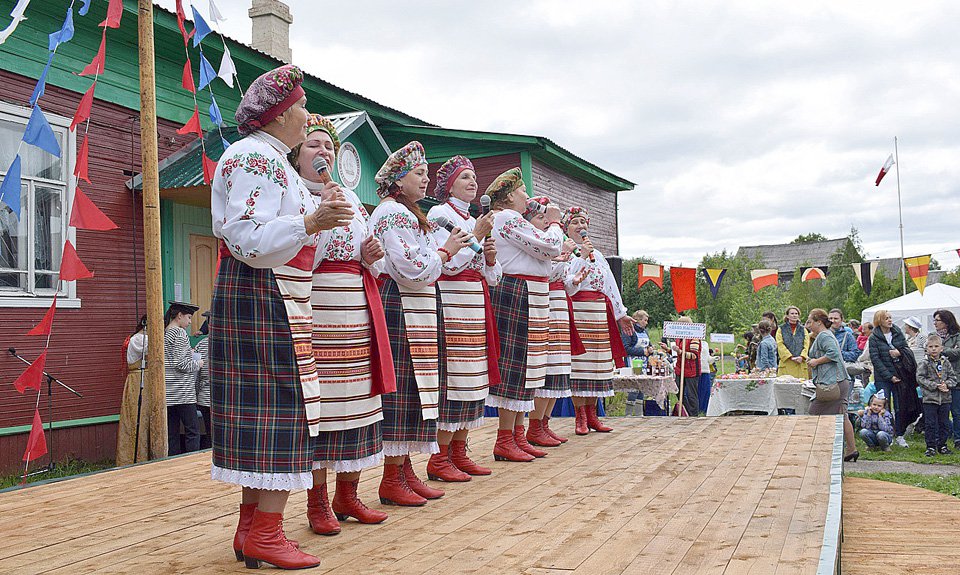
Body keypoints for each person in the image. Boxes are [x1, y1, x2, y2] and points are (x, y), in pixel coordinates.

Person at [210, 64, 354, 569]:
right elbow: (250, 238)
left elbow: (298, 252)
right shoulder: (258, 158)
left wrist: (317, 220)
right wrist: (312, 219)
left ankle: (252, 530)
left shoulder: (274, 163)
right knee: (280, 408)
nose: (307, 114)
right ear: (279, 116)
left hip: (276, 292)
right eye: (301, 107)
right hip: (264, 292)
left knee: (264, 412)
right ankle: (264, 532)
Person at [291, 113, 392, 534]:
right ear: (297, 155)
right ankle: (317, 504)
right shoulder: (296, 196)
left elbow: (375, 260)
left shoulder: (351, 199)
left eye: (329, 147)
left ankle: (348, 495)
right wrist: (321, 215)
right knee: (326, 407)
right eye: (314, 145)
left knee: (358, 402)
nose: (323, 153)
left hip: (356, 307)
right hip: (319, 307)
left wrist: (371, 254)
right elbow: (300, 257)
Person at [369, 141, 472, 504]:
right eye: (419, 173)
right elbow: (411, 269)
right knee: (406, 389)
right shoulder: (392, 214)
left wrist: (437, 256)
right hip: (402, 305)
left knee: (418, 390)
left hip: (417, 307)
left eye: (428, 173)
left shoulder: (409, 212)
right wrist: (445, 253)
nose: (426, 179)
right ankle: (391, 477)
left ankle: (404, 470)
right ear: (399, 179)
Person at [426, 155, 502, 477]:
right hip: (453, 300)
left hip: (475, 299)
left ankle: (460, 449)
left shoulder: (474, 218)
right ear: (449, 184)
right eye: (465, 177)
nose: (472, 182)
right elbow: (445, 262)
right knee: (454, 376)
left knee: (473, 376)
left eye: (474, 177)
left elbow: (493, 276)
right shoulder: (439, 213)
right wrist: (477, 234)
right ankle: (439, 457)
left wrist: (489, 257)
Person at [485, 168, 563, 460]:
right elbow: (550, 246)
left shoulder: (512, 219)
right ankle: (505, 438)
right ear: (507, 197)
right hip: (519, 291)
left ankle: (516, 435)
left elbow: (545, 254)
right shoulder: (506, 218)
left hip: (532, 291)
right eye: (522, 192)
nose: (527, 197)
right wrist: (554, 222)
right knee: (516, 365)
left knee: (529, 367)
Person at [564, 206, 633, 432]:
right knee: (580, 366)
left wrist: (620, 314)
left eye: (583, 222)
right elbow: (567, 280)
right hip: (578, 311)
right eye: (575, 222)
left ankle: (593, 414)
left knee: (597, 366)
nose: (581, 226)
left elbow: (610, 285)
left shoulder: (599, 255)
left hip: (599, 314)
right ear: (566, 228)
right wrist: (581, 255)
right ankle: (580, 417)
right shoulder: (565, 251)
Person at [525, 196, 582, 441]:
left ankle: (543, 424)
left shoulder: (547, 244)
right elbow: (545, 274)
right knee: (546, 366)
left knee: (557, 364)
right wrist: (561, 257)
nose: (547, 224)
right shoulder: (533, 243)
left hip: (557, 302)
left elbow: (559, 278)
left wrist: (571, 276)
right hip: (544, 301)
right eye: (541, 219)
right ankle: (534, 426)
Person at [806, 308, 857, 462]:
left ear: (819, 322)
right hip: (840, 382)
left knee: (814, 413)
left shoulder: (824, 335)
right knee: (842, 415)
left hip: (833, 384)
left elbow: (834, 354)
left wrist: (815, 361)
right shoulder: (826, 335)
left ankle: (820, 448)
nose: (808, 324)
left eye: (810, 321)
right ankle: (851, 449)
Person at [869, 309, 919, 447]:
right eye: (886, 318)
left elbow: (906, 350)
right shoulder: (874, 337)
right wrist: (889, 376)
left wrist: (899, 352)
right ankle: (886, 434)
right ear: (879, 320)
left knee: (900, 406)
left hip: (900, 375)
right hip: (883, 377)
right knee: (883, 406)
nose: (890, 320)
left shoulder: (897, 333)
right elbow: (875, 359)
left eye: (890, 317)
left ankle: (900, 435)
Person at [163, 301, 202, 457]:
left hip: (169, 391)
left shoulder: (165, 332)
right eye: (189, 317)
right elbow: (181, 364)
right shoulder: (179, 333)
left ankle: (172, 461)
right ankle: (192, 461)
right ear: (179, 316)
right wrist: (198, 363)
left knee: (171, 432)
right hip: (183, 392)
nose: (190, 321)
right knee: (192, 430)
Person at [116, 315, 150, 465]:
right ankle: (132, 456)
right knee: (136, 416)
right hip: (138, 381)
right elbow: (153, 347)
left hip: (144, 380)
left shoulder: (142, 338)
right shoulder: (139, 339)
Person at [917, 334, 957, 457]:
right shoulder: (924, 363)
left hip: (945, 399)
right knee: (930, 424)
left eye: (936, 346)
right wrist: (934, 385)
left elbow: (953, 378)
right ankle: (930, 446)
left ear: (941, 348)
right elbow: (920, 378)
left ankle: (942, 445)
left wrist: (947, 385)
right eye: (930, 346)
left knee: (944, 423)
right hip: (930, 399)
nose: (933, 349)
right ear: (926, 348)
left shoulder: (946, 362)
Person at [934, 309, 960, 448]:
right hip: (937, 380)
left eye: (937, 320)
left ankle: (958, 439)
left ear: (946, 321)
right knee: (941, 411)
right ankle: (941, 438)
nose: (935, 323)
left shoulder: (957, 335)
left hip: (955, 378)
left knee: (956, 411)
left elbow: (958, 352)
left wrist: (942, 350)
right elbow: (929, 352)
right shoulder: (933, 336)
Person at [668, 316, 701, 416]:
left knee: (692, 395)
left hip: (692, 370)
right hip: (680, 369)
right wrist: (668, 350)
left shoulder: (695, 338)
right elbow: (678, 353)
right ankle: (686, 410)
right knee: (677, 390)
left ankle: (693, 414)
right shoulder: (679, 338)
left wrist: (680, 351)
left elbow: (694, 355)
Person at [623, 310, 653, 416]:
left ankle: (639, 414)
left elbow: (649, 345)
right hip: (632, 362)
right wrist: (642, 351)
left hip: (643, 363)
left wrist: (650, 350)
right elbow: (625, 349)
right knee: (634, 387)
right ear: (638, 320)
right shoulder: (629, 331)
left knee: (642, 386)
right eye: (645, 320)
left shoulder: (645, 332)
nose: (646, 323)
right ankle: (628, 413)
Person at [776, 306, 809, 378]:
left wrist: (802, 356)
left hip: (800, 364)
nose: (794, 315)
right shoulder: (781, 329)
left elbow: (806, 345)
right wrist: (790, 357)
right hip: (786, 364)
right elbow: (780, 344)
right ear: (787, 316)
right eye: (792, 313)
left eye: (796, 313)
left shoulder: (803, 329)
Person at [194, 311, 211, 450]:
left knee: (208, 431)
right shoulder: (231, 343)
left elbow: (196, 373)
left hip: (204, 396)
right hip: (226, 397)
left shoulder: (200, 345)